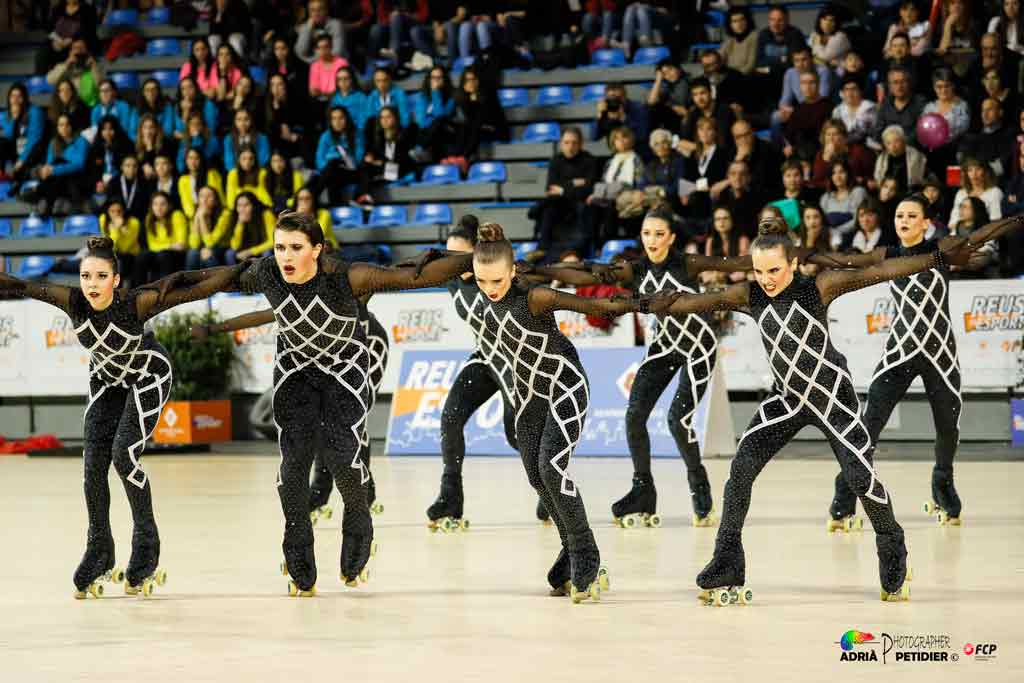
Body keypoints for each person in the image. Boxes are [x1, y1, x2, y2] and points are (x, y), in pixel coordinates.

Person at [645, 212, 982, 603]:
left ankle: (893, 548)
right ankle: (727, 561)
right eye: (758, 271)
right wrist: (649, 304)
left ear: (793, 263)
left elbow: (889, 269)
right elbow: (699, 301)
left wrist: (940, 258)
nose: (766, 279)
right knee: (740, 471)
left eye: (774, 269)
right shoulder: (750, 294)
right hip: (787, 399)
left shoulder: (819, 287)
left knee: (861, 477)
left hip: (832, 399)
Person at [199, 211, 477, 594]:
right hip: (296, 370)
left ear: (317, 249)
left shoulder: (347, 276)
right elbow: (214, 282)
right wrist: (159, 299)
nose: (286, 255)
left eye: (295, 247)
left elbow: (412, 275)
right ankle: (297, 543)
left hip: (347, 366)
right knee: (291, 467)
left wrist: (481, 256)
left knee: (343, 456)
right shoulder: (271, 274)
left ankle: (359, 521)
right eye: (280, 247)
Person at [0, 238, 248, 598]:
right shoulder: (72, 301)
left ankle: (146, 549)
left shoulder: (136, 303)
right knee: (92, 464)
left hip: (149, 374)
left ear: (116, 280)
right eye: (86, 276)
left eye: (101, 276)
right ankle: (99, 550)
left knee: (123, 456)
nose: (92, 284)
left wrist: (243, 269)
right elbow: (19, 285)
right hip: (107, 380)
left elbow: (194, 291)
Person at [530, 205, 751, 527]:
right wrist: (542, 271)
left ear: (671, 237)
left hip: (698, 349)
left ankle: (699, 490)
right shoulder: (635, 269)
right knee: (634, 416)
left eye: (659, 234)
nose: (652, 239)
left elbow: (733, 263)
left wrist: (773, 252)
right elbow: (589, 272)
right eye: (647, 233)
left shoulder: (687, 264)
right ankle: (643, 492)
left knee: (678, 420)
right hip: (664, 346)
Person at [472, 221, 644, 600]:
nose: (490, 290)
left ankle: (587, 555)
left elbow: (591, 304)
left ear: (513, 270)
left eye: (497, 281)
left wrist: (642, 303)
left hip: (566, 387)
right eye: (482, 282)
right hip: (529, 396)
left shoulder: (533, 297)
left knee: (552, 466)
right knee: (536, 475)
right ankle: (571, 550)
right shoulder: (487, 298)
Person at [827, 202, 1023, 529]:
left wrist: (1018, 218)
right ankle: (843, 502)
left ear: (926, 222)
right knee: (868, 427)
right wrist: (803, 257)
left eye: (911, 216)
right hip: (899, 353)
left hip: (940, 356)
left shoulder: (940, 249)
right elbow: (844, 261)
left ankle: (943, 490)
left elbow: (978, 235)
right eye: (899, 215)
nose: (904, 221)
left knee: (948, 429)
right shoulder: (887, 254)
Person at [426, 216, 520, 530]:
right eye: (448, 255)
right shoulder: (452, 279)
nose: (454, 263)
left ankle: (549, 489)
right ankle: (450, 497)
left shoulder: (498, 276)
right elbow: (404, 276)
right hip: (484, 358)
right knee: (450, 418)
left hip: (515, 362)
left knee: (516, 435)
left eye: (460, 256)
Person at [533, 127, 598, 257]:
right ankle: (542, 248)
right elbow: (550, 189)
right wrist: (574, 183)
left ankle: (583, 251)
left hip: (580, 202)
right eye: (566, 142)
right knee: (549, 207)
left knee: (585, 208)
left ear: (581, 144)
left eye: (574, 143)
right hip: (560, 203)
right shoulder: (555, 161)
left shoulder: (590, 160)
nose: (570, 147)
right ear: (561, 144)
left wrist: (562, 189)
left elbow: (589, 189)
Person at [26, 112, 88, 216]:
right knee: (54, 166)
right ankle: (48, 201)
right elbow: (50, 165)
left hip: (76, 179)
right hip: (58, 181)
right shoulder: (54, 142)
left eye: (67, 124)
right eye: (61, 125)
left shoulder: (81, 141)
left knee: (60, 162)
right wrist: (46, 170)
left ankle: (41, 194)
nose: (64, 128)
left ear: (72, 126)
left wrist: (55, 169)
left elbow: (79, 164)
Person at [315, 105, 364, 206]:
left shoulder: (357, 134)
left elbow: (358, 159)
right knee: (333, 169)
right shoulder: (326, 136)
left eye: (341, 118)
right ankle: (336, 207)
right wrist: (335, 156)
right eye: (334, 118)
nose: (337, 122)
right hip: (332, 171)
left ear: (347, 119)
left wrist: (341, 157)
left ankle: (313, 194)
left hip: (351, 172)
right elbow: (319, 160)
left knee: (332, 168)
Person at [819, 161, 868, 245]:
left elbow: (858, 220)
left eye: (841, 172)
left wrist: (836, 232)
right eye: (834, 173)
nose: (837, 176)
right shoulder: (826, 197)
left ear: (848, 174)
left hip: (851, 236)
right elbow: (820, 221)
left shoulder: (858, 192)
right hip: (829, 238)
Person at [185, 185, 233, 269]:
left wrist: (202, 218)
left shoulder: (225, 214)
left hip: (222, 247)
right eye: (201, 196)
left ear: (215, 200)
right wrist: (197, 218)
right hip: (204, 247)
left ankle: (218, 280)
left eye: (209, 196)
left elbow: (210, 243)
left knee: (207, 253)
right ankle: (190, 282)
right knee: (192, 253)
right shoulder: (195, 213)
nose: (204, 199)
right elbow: (194, 244)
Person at [873, 125, 927, 196]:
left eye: (896, 141)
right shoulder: (882, 158)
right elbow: (878, 180)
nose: (893, 146)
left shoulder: (916, 156)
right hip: (887, 196)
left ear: (904, 141)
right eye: (888, 143)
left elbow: (921, 181)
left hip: (910, 194)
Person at [948, 157, 1004, 226]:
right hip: (959, 233)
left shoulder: (995, 192)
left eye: (978, 169)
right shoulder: (961, 193)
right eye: (970, 170)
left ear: (985, 172)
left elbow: (995, 221)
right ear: (966, 174)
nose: (974, 174)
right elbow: (952, 223)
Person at [98, 198, 142, 284]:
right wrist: (117, 230)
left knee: (119, 261)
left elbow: (125, 248)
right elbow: (110, 246)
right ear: (107, 212)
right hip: (113, 254)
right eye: (112, 211)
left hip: (131, 254)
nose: (116, 214)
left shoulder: (134, 222)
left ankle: (119, 290)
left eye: (119, 211)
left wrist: (116, 229)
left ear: (124, 211)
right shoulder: (103, 220)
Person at [227, 192, 276, 263]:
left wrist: (250, 252)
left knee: (267, 253)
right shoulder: (235, 216)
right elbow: (235, 246)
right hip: (244, 249)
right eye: (239, 205)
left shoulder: (266, 214)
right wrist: (240, 223)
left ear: (254, 205)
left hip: (262, 249)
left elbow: (272, 241)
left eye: (246, 205)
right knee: (230, 253)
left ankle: (265, 274)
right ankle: (235, 274)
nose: (242, 209)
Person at [719, 7, 757, 76]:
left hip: (746, 78)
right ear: (730, 24)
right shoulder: (729, 41)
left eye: (742, 19)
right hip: (729, 77)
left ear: (748, 20)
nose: (739, 24)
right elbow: (717, 60)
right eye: (734, 21)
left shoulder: (755, 37)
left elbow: (750, 66)